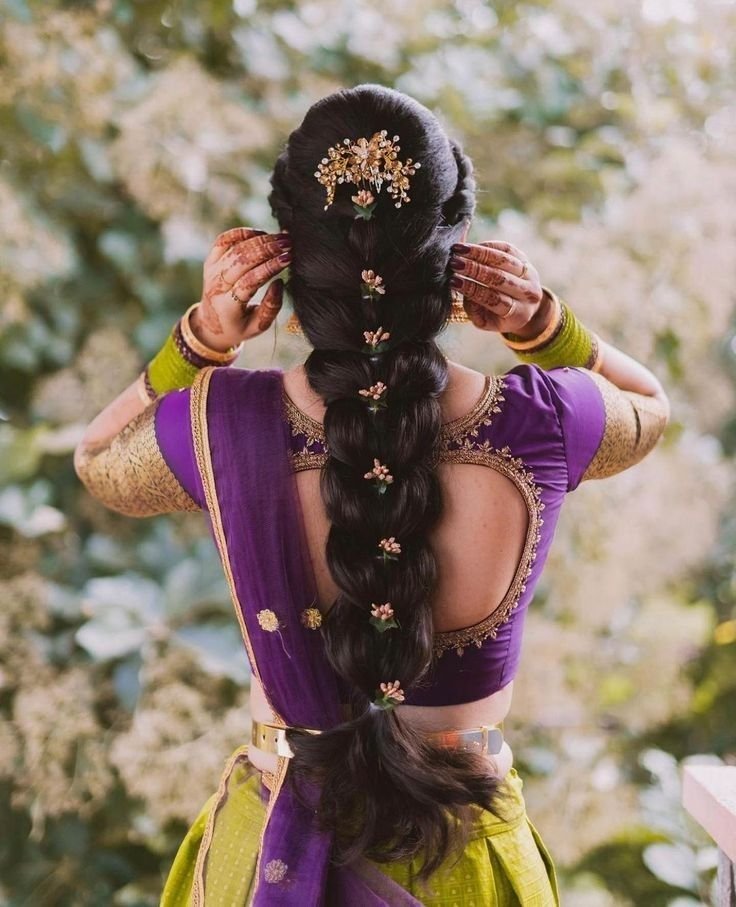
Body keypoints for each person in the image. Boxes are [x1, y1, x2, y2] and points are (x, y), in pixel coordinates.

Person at [74, 84, 670, 906]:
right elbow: (652, 407)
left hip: (269, 857)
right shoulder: (544, 419)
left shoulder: (223, 422)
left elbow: (98, 454)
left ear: (292, 252)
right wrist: (544, 326)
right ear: (455, 252)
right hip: (463, 858)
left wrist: (202, 340)